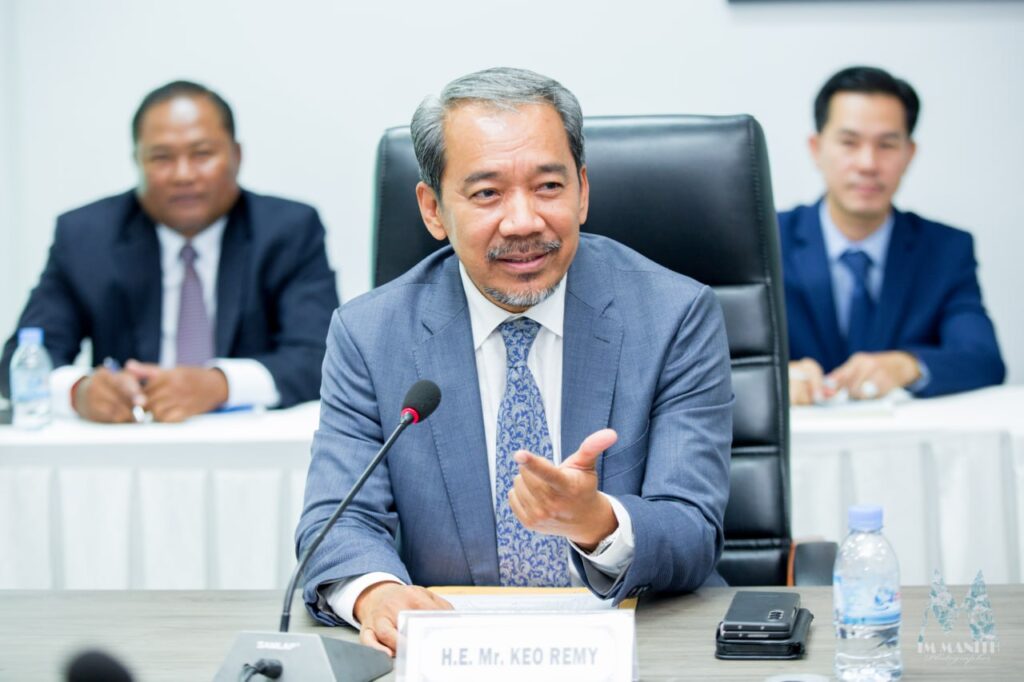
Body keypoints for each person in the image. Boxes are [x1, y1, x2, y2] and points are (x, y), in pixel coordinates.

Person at [296, 67, 733, 657]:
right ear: (432, 209)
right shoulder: (371, 334)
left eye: (549, 187)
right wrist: (377, 594)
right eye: (487, 193)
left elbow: (692, 526)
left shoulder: (674, 315)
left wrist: (597, 522)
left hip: (641, 642)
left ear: (583, 191)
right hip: (454, 651)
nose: (524, 221)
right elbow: (335, 521)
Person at [0, 81, 339, 422]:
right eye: (161, 157)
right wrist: (79, 391)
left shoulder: (288, 230)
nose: (183, 175)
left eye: (202, 154)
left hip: (248, 442)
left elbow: (318, 356)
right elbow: (22, 358)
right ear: (137, 161)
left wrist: (219, 384)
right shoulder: (86, 237)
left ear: (236, 155)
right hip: (129, 442)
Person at [779, 66, 1004, 405]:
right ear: (816, 148)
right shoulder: (764, 241)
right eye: (849, 143)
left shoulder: (945, 250)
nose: (868, 163)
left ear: (909, 154)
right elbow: (720, 356)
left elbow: (983, 359)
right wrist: (773, 376)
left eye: (886, 145)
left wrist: (907, 365)